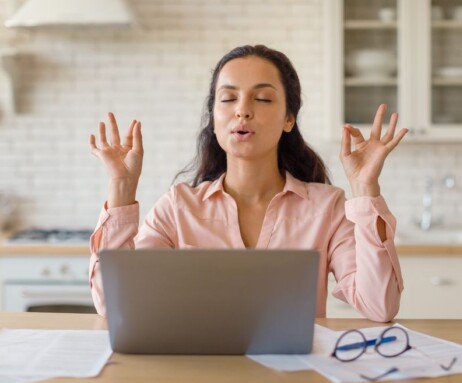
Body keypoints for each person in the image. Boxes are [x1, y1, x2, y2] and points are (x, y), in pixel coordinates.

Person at [89, 44, 408, 322]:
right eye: (228, 99)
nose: (242, 111)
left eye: (263, 99)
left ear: (288, 119)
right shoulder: (178, 207)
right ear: (213, 118)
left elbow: (379, 307)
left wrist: (365, 188)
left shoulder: (327, 207)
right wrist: (121, 186)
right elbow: (115, 304)